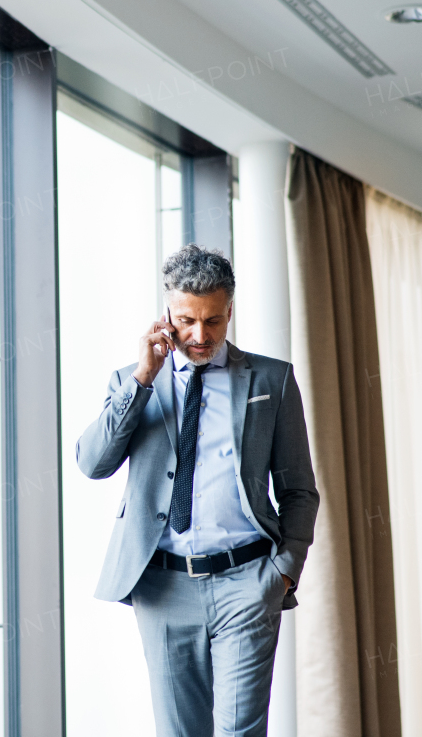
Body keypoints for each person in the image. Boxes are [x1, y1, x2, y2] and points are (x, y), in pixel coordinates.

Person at [75, 244, 319, 737]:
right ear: (168, 313)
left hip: (247, 580)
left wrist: (283, 572)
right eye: (186, 320)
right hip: (164, 587)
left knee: (240, 732)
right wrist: (144, 375)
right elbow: (92, 463)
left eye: (212, 320)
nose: (199, 335)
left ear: (230, 311)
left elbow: (299, 489)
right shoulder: (132, 381)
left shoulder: (271, 380)